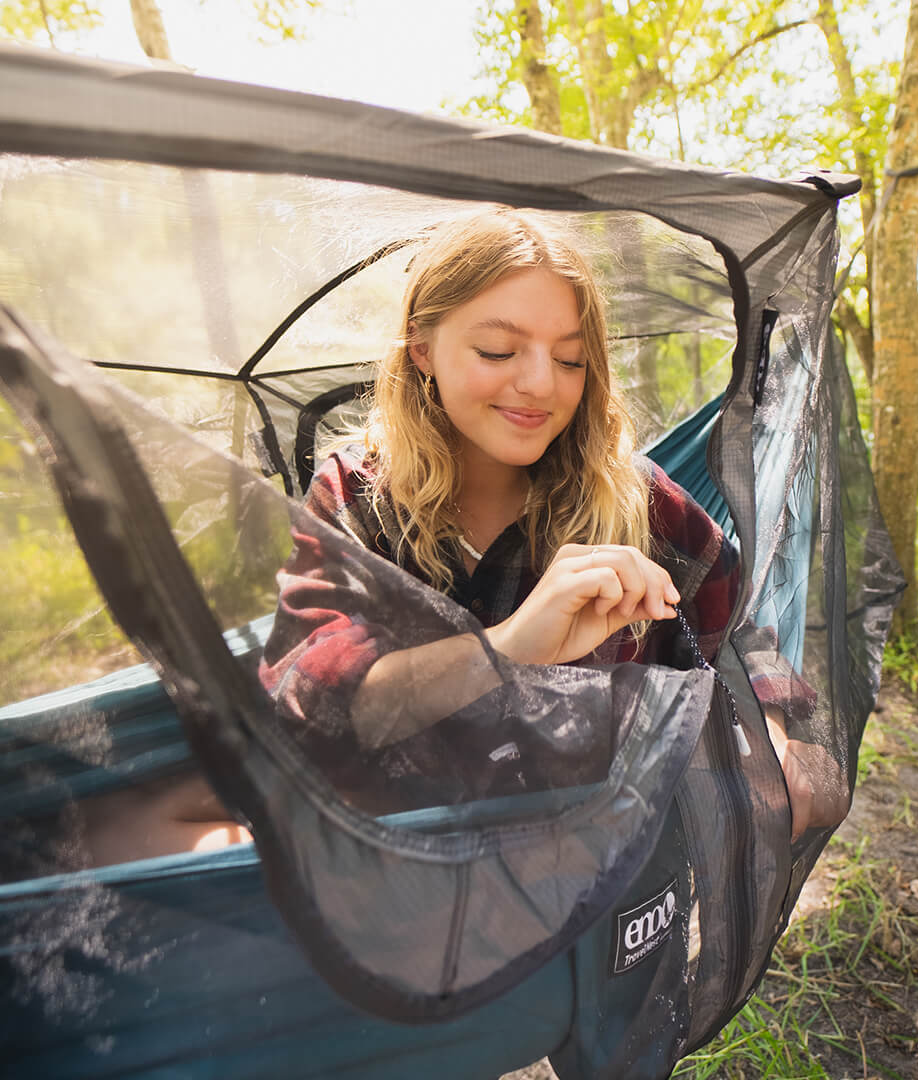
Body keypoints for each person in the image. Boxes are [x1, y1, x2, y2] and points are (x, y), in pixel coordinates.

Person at [258, 210, 847, 839]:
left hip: (593, 876)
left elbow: (736, 635)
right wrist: (508, 647)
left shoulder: (636, 502)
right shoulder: (355, 499)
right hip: (402, 869)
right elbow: (308, 702)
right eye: (497, 350)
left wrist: (775, 745)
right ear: (423, 349)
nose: (541, 384)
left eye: (570, 360)